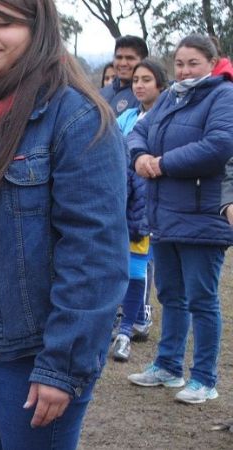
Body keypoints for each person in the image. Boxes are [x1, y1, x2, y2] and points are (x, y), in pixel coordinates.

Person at [0, 0, 128, 448]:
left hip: (36, 346)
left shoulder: (76, 117)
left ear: (39, 30)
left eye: (3, 22)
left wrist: (62, 365)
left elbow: (95, 256)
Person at [127, 34, 233, 404]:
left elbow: (220, 144)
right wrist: (139, 155)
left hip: (203, 217)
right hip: (164, 215)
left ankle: (204, 377)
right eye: (180, 63)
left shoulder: (223, 96)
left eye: (193, 63)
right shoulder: (171, 95)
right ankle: (168, 365)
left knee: (202, 300)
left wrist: (162, 163)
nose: (185, 70)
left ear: (212, 62)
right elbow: (139, 130)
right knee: (170, 295)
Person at [110, 59, 168, 362]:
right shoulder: (126, 116)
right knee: (116, 266)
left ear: (161, 84)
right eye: (136, 80)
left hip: (144, 207)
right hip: (121, 199)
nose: (139, 85)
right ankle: (118, 321)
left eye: (146, 79)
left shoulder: (167, 117)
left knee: (137, 269)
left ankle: (127, 330)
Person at [100, 35, 149, 116]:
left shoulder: (147, 96)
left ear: (144, 61)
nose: (123, 63)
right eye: (119, 57)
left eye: (130, 58)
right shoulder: (103, 93)